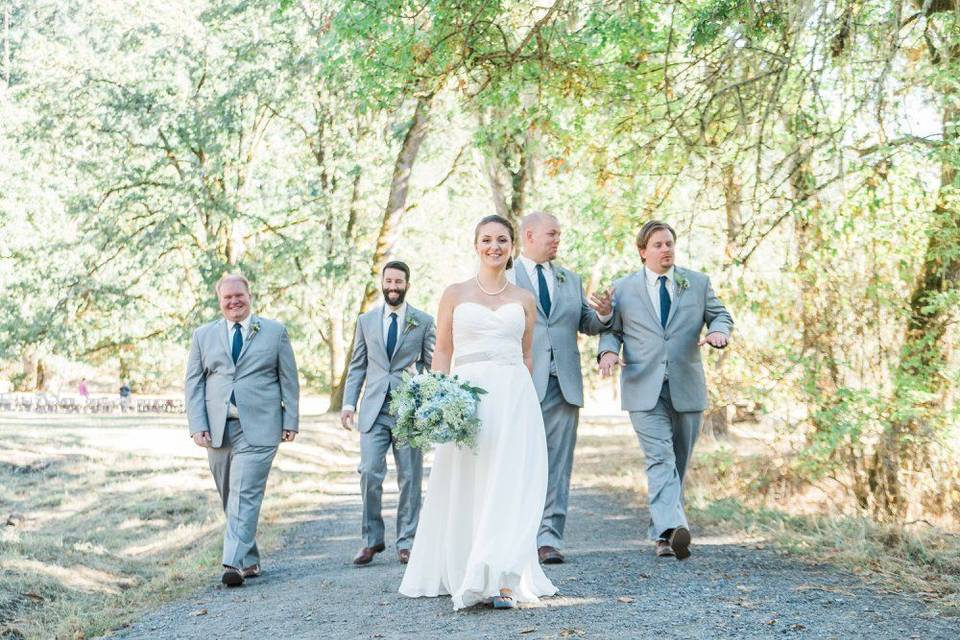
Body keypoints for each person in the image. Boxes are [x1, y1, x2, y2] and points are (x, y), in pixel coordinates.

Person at [399, 214, 557, 610]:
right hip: (466, 401)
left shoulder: (523, 299)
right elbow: (443, 351)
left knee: (509, 482)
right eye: (486, 239)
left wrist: (524, 403)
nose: (494, 246)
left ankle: (502, 576)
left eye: (502, 240)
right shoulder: (454, 293)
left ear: (512, 246)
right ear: (475, 245)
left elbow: (525, 355)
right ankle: (464, 565)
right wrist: (435, 399)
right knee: (469, 479)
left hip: (513, 396)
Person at [598, 221, 733, 560]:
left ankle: (662, 530)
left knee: (679, 461)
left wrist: (719, 333)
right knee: (661, 458)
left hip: (687, 385)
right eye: (657, 244)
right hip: (643, 386)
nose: (666, 250)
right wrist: (609, 351)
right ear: (643, 251)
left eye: (669, 243)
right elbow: (611, 329)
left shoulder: (697, 283)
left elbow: (720, 315)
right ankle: (672, 531)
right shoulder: (623, 288)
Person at [509, 211, 613, 564]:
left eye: (559, 235)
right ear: (529, 235)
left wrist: (603, 314)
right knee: (516, 461)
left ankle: (548, 538)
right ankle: (516, 533)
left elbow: (586, 323)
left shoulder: (571, 279)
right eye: (551, 234)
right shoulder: (505, 276)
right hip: (517, 382)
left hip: (563, 384)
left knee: (558, 464)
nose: (557, 240)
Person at [185, 273, 300, 586]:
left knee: (244, 493)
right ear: (219, 301)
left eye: (239, 295)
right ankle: (249, 560)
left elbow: (288, 378)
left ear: (250, 296)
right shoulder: (202, 336)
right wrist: (197, 425)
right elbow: (194, 383)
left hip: (261, 427)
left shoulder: (275, 332)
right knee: (229, 497)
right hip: (217, 430)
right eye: (227, 297)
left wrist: (291, 419)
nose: (234, 301)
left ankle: (233, 564)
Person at [341, 261, 436, 565]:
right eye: (389, 281)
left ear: (408, 284)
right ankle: (371, 540)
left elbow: (431, 365)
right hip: (373, 410)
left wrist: (427, 399)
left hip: (409, 411)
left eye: (399, 282)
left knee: (410, 477)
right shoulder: (365, 321)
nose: (393, 287)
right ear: (382, 282)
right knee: (369, 471)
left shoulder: (423, 320)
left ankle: (407, 541)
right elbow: (357, 365)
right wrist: (348, 403)